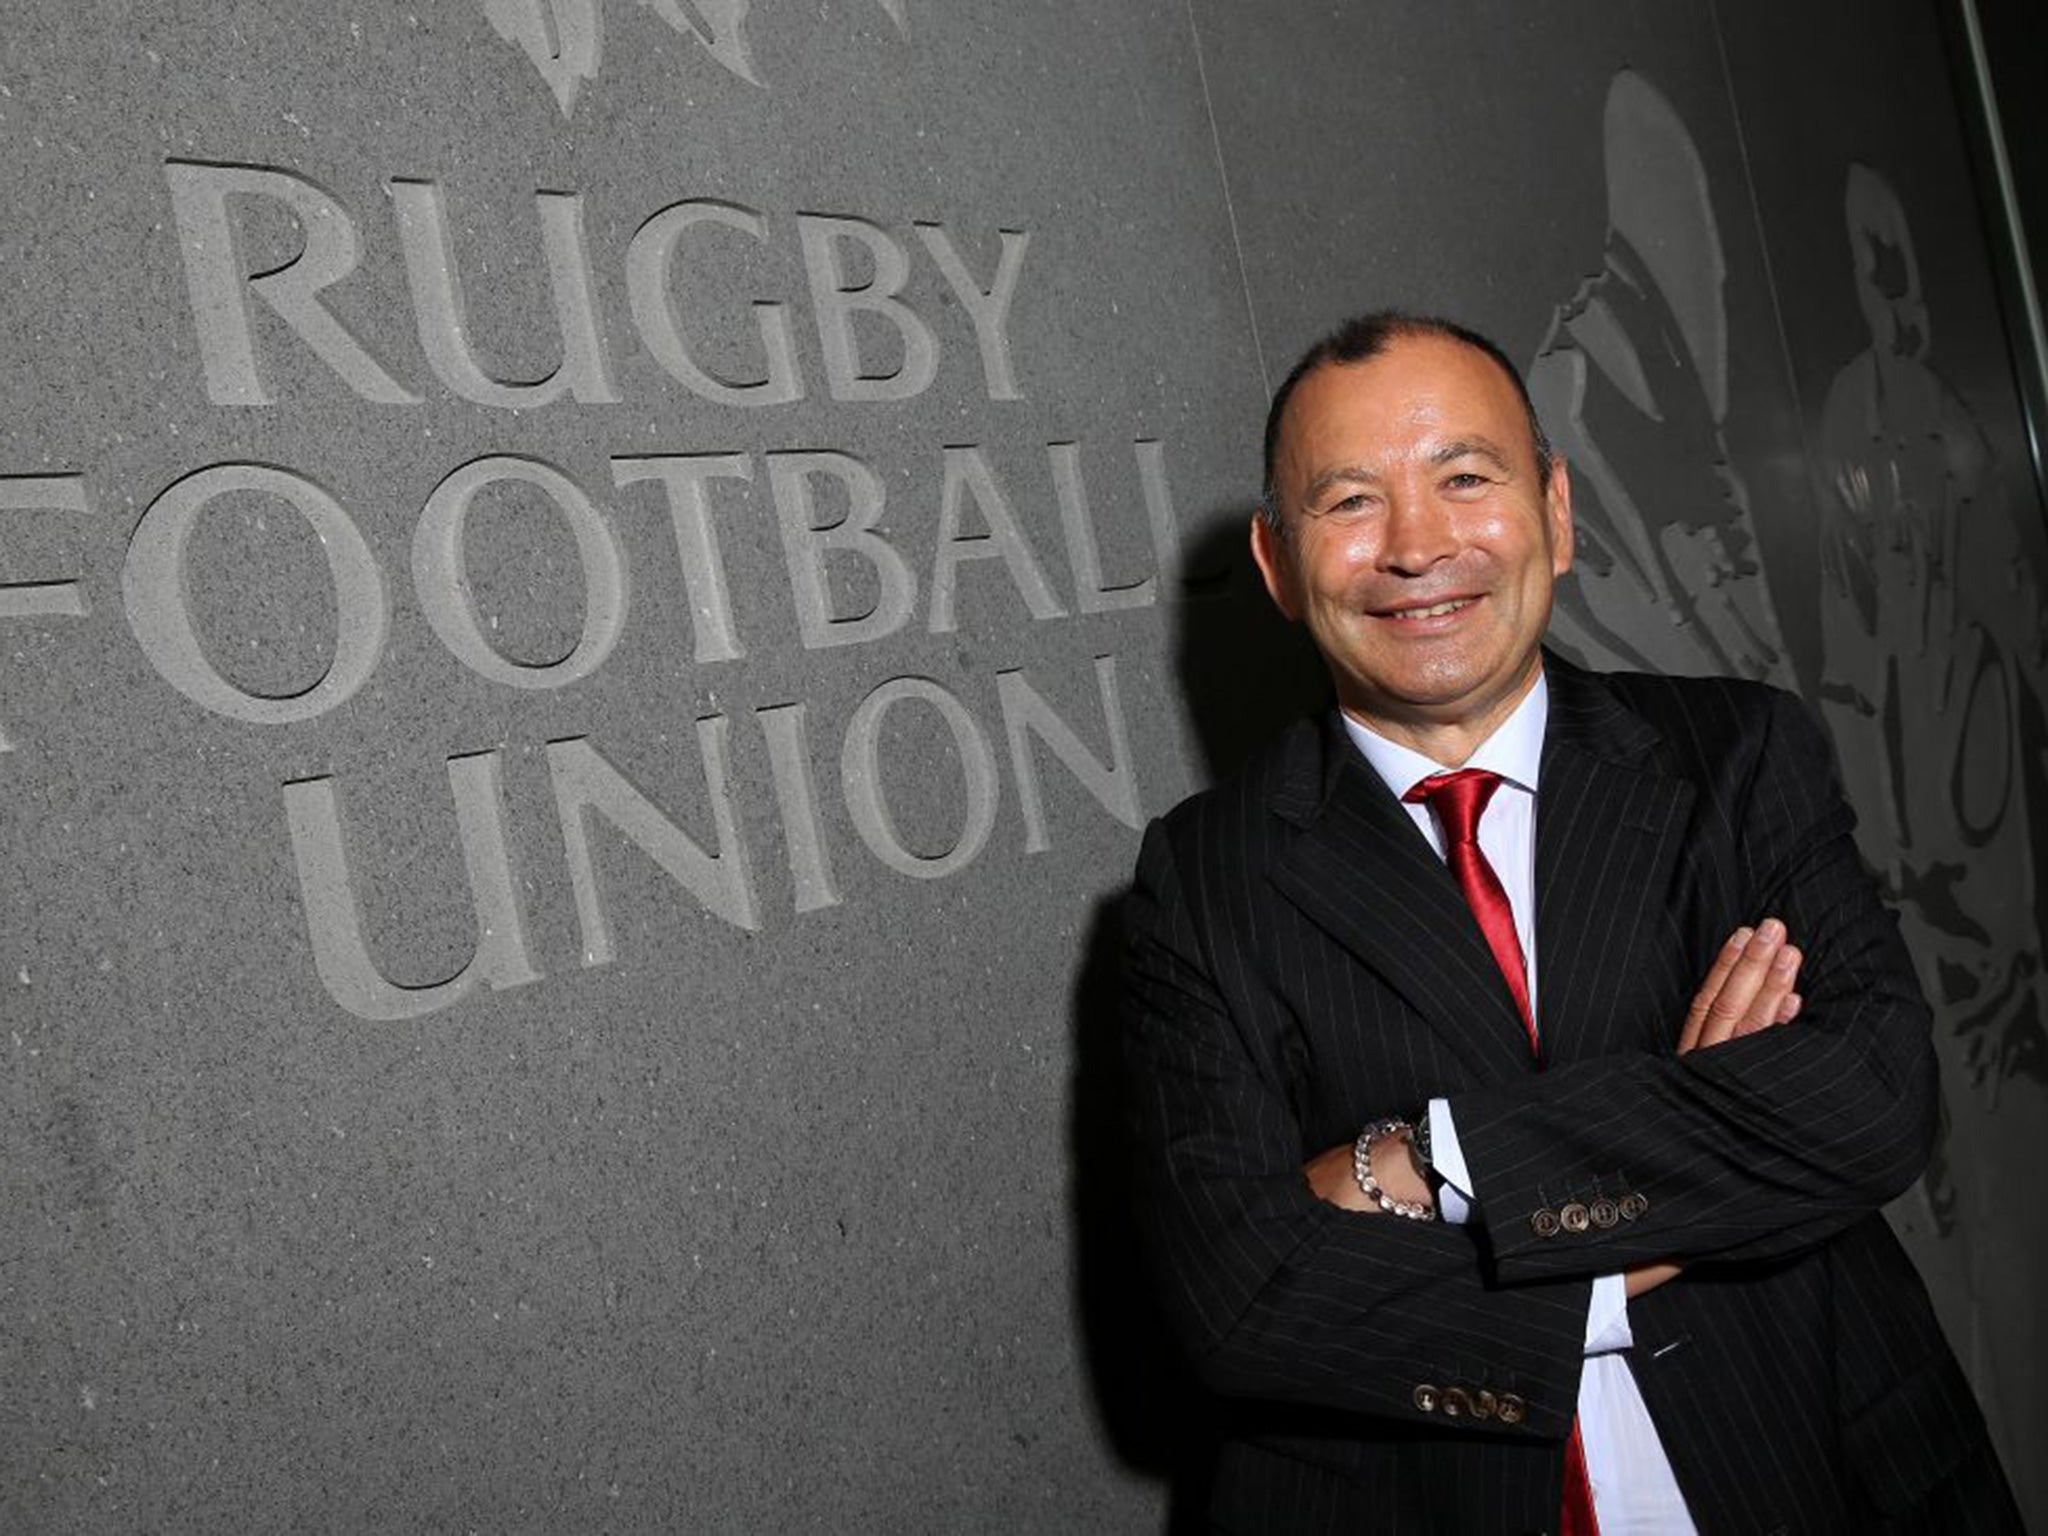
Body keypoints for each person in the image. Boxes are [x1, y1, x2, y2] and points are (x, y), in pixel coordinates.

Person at [1119, 312, 2020, 1532]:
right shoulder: (1199, 874)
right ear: (1279, 569)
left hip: (1825, 1463)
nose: (1416, 546)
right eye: (1348, 504)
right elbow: (1244, 1297)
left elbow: (1866, 1100)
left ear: (1555, 510)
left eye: (1464, 478)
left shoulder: (1734, 755)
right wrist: (1704, 1146)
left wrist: (1425, 1162)